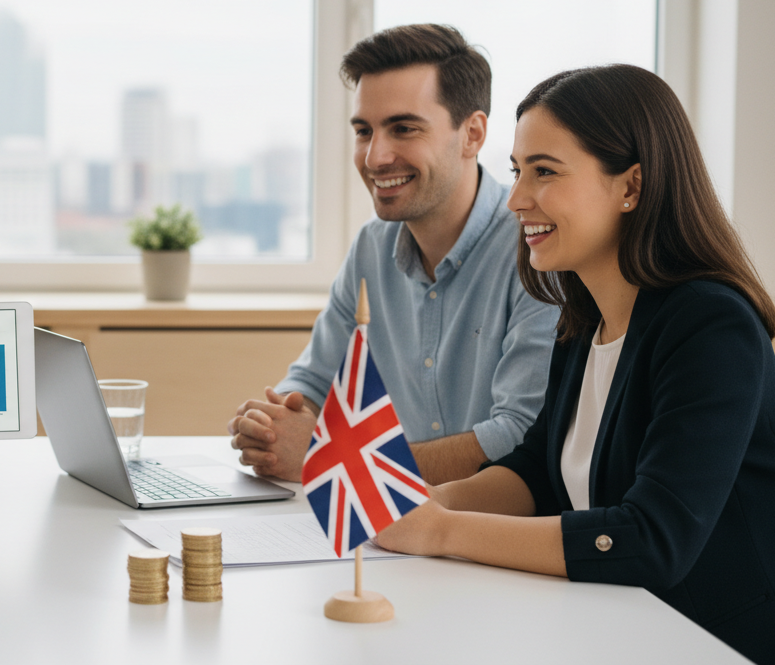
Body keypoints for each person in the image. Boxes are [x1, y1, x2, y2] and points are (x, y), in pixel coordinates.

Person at [374, 64, 775, 663]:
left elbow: (653, 539)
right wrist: (433, 500)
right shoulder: (584, 317)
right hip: (616, 626)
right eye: (517, 172)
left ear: (631, 186)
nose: (516, 199)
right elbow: (538, 473)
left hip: (715, 643)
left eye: (544, 172)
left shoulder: (711, 324)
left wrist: (441, 531)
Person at [228, 24, 559, 485]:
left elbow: (521, 436)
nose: (375, 157)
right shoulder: (372, 247)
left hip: (491, 535)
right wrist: (271, 426)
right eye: (364, 131)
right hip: (395, 527)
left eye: (404, 128)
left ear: (472, 134)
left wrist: (332, 455)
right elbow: (313, 384)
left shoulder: (536, 249)